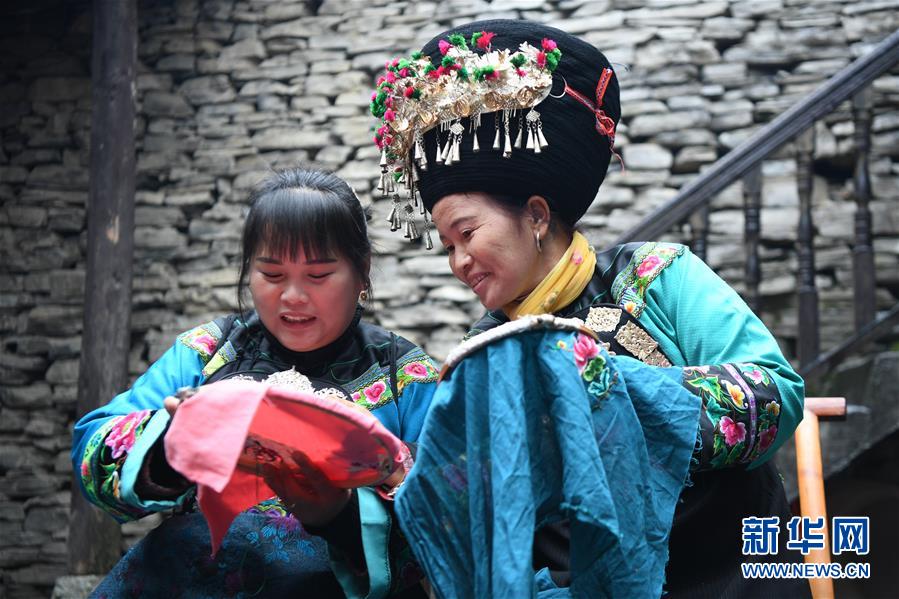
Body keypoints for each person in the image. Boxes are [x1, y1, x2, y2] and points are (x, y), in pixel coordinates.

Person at [370, 19, 810, 597]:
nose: (458, 262)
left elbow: (776, 392)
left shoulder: (655, 277)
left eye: (467, 233)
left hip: (733, 573)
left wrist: (603, 392)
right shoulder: (482, 354)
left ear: (535, 214)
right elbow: (478, 519)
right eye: (447, 246)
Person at [72, 168, 438, 598]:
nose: (293, 297)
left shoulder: (404, 375)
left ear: (362, 271)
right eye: (272, 274)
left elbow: (452, 507)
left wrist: (339, 516)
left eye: (318, 275)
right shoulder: (207, 353)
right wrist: (171, 446)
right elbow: (94, 445)